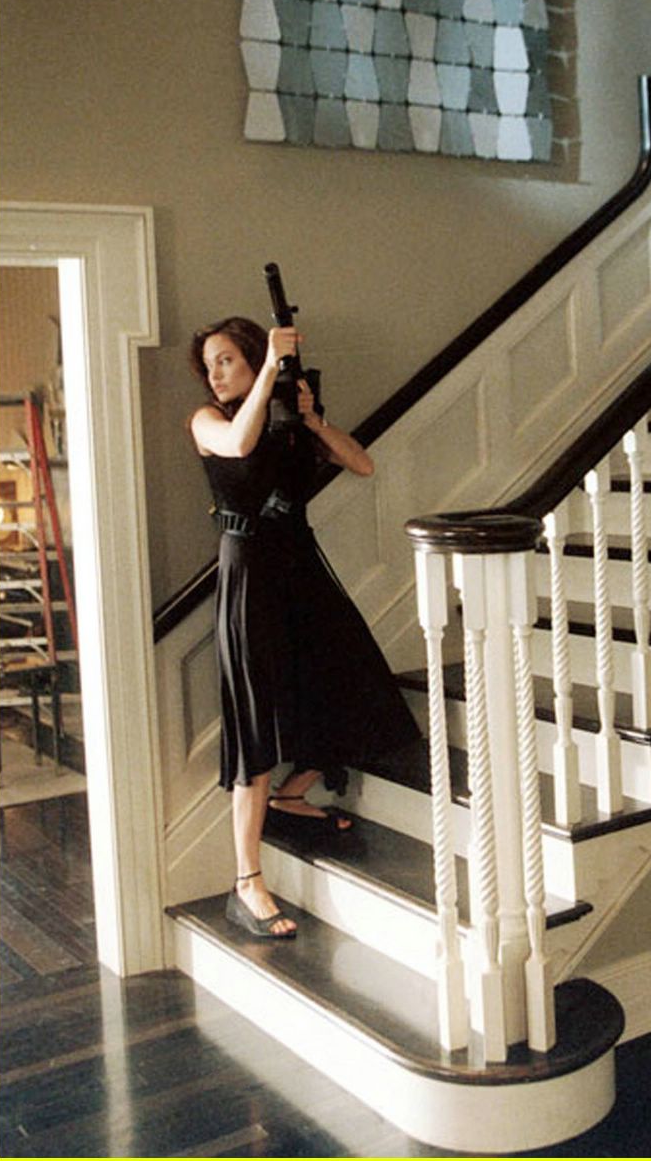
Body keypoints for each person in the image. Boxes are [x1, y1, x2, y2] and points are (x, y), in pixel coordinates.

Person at [189, 316, 419, 939]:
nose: (215, 373)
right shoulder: (208, 421)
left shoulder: (289, 423)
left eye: (226, 359)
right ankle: (247, 882)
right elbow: (239, 444)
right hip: (249, 574)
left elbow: (361, 463)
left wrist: (313, 420)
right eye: (209, 364)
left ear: (250, 356)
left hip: (299, 566)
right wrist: (270, 370)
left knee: (351, 677)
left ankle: (292, 796)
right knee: (258, 717)